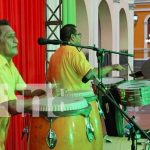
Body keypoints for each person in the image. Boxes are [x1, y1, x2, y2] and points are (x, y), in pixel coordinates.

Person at [47, 24, 125, 150]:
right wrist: (112, 67)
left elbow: (49, 80)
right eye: (79, 35)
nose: (80, 37)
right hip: (80, 108)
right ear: (72, 37)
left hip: (60, 110)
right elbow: (90, 74)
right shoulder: (74, 53)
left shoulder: (54, 56)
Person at [0, 19, 46, 150]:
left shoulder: (9, 64)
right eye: (10, 37)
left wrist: (48, 89)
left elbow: (26, 90)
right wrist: (44, 100)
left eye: (14, 36)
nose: (16, 41)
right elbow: (10, 106)